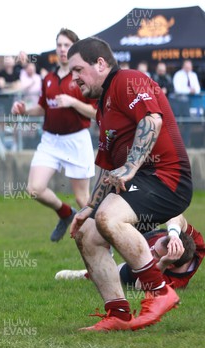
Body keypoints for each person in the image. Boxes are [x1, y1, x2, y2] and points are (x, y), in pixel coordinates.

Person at [68, 37, 192, 331]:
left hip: (167, 179)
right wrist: (87, 208)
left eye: (77, 70)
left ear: (100, 64)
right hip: (142, 181)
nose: (73, 79)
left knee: (109, 218)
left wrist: (131, 166)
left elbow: (152, 120)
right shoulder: (103, 107)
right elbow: (108, 169)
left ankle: (159, 292)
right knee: (87, 232)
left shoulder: (127, 80)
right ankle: (118, 314)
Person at [11, 28, 96, 242]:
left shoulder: (83, 77)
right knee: (34, 188)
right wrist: (24, 111)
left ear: (75, 49)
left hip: (76, 139)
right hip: (50, 140)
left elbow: (96, 113)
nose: (62, 49)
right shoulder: (48, 78)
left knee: (82, 198)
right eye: (59, 45)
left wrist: (73, 102)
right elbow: (42, 108)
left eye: (66, 45)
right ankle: (65, 214)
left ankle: (103, 240)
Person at [56, 215, 203, 290]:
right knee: (111, 218)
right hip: (147, 233)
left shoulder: (175, 282)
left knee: (117, 273)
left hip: (134, 269)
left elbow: (141, 287)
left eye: (156, 254)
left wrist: (161, 264)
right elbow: (177, 215)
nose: (151, 251)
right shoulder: (195, 244)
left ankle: (85, 274)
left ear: (170, 264)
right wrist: (174, 234)